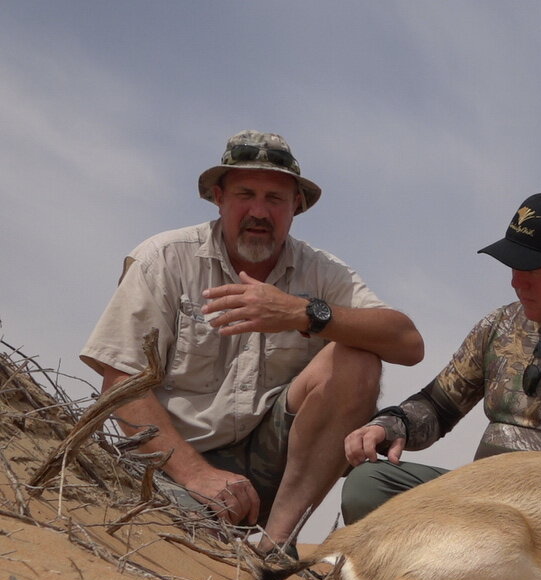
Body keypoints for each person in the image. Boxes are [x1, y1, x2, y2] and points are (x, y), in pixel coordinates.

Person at [81, 130, 423, 552]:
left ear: (296, 206)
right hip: (175, 464)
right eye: (246, 193)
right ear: (218, 197)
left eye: (275, 199)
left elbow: (408, 342)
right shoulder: (164, 259)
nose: (259, 211)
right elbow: (120, 382)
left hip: (272, 471)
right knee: (180, 546)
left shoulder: (322, 272)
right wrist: (197, 476)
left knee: (358, 357)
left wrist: (302, 313)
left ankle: (277, 547)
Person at [341, 189, 541, 523]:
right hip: (475, 502)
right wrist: (392, 426)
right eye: (513, 265)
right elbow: (437, 407)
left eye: (534, 269)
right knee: (367, 486)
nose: (516, 282)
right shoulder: (501, 324)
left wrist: (518, 518)